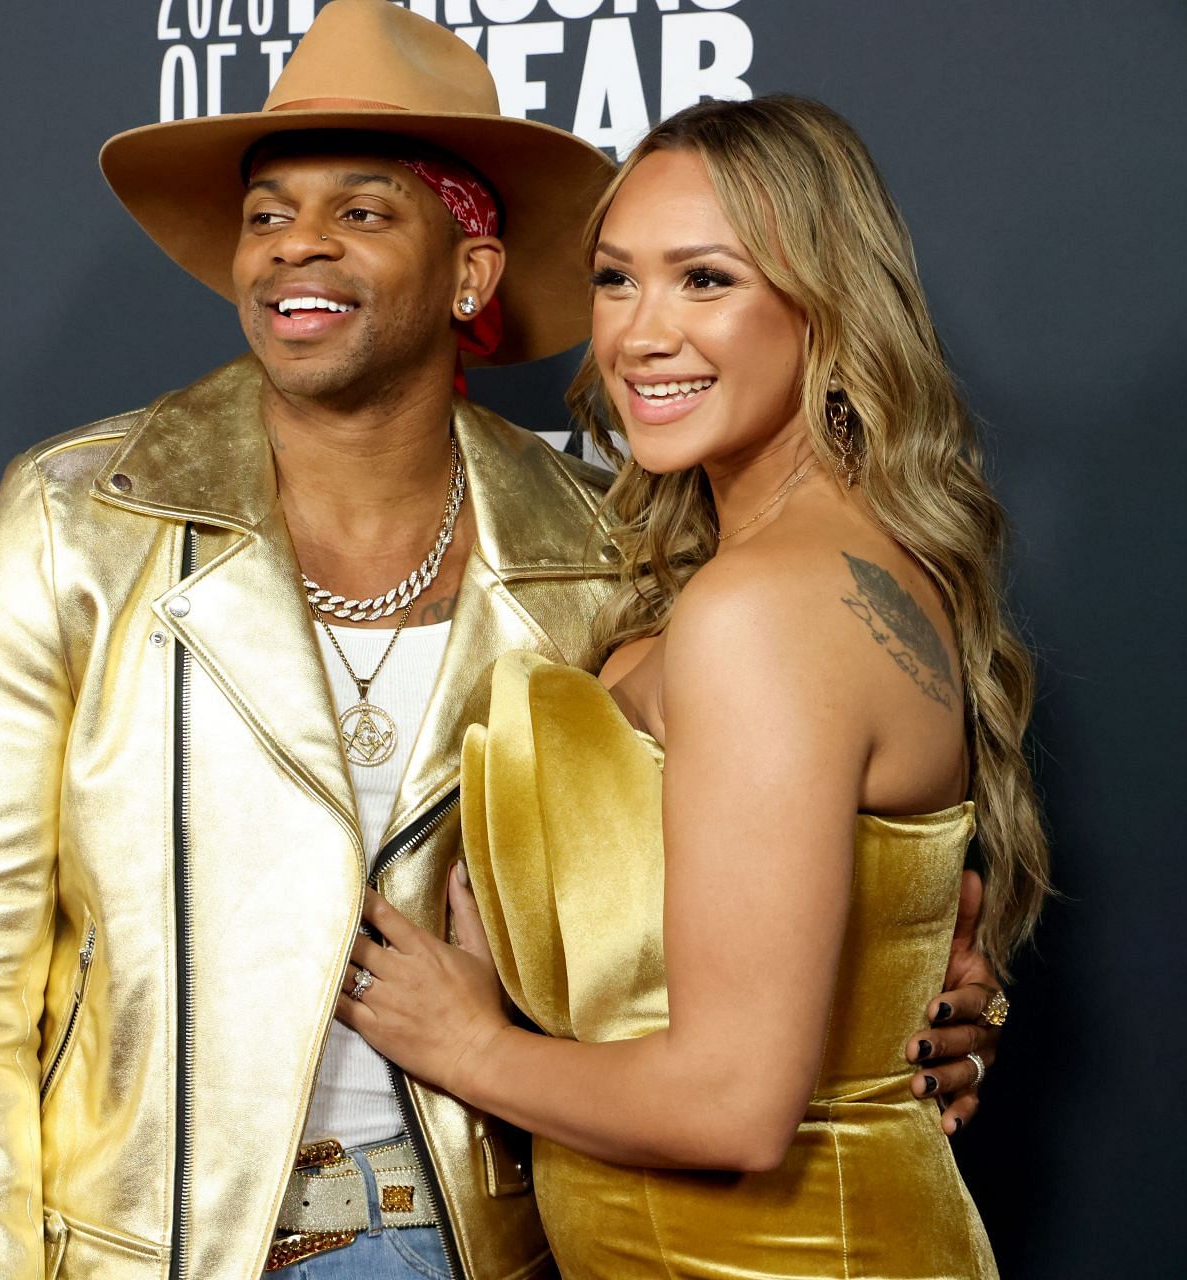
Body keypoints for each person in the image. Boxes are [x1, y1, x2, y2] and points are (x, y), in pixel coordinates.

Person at [0, 2, 1009, 1273]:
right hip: (155, 1246)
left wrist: (914, 994)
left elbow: (774, 878)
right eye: (267, 214)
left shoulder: (615, 551)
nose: (296, 247)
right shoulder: (77, 523)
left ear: (472, 271)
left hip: (494, 1242)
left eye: (361, 211)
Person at [336, 95, 1046, 1278]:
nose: (641, 335)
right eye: (618, 280)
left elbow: (732, 1105)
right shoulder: (802, 571)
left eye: (706, 279)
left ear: (827, 307)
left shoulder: (766, 606)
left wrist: (466, 1042)